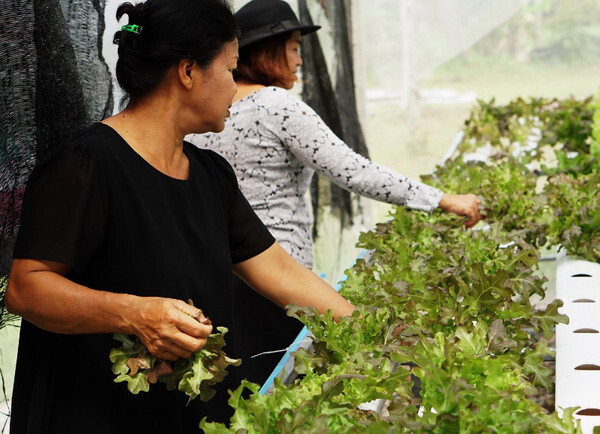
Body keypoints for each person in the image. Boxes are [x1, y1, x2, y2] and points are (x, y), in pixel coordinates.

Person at [4, 0, 355, 432]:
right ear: (188, 71)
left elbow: (281, 272)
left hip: (181, 415)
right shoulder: (87, 165)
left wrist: (367, 333)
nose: (234, 86)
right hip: (98, 414)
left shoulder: (210, 175)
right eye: (230, 69)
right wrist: (134, 313)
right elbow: (26, 287)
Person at [187, 0, 483, 386]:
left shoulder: (202, 114)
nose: (299, 61)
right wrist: (440, 199)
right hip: (281, 278)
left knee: (243, 391)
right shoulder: (278, 106)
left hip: (220, 281)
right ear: (267, 51)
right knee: (285, 387)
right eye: (293, 48)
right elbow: (353, 171)